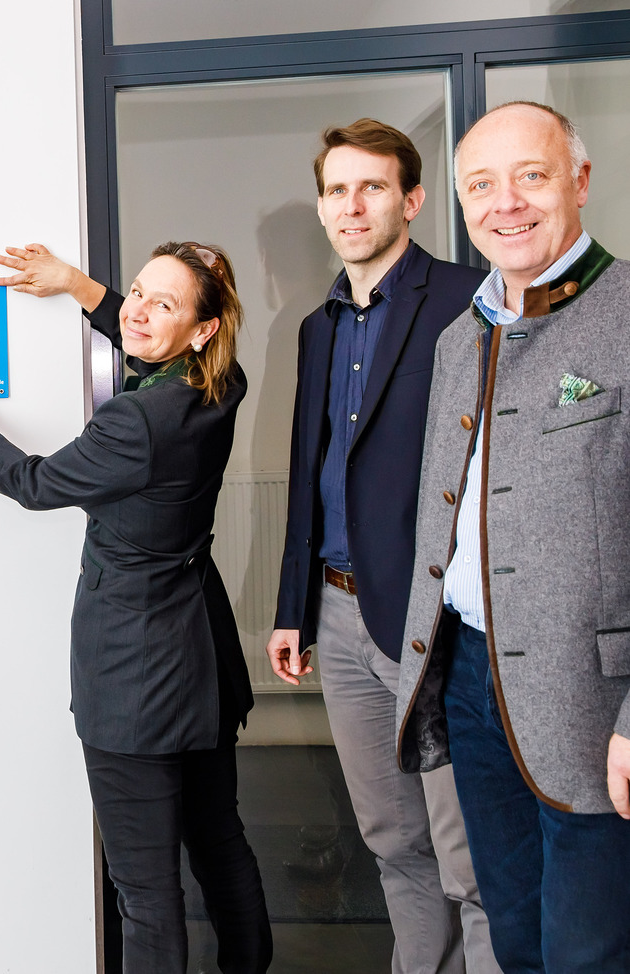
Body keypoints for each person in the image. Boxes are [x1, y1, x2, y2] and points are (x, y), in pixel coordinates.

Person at [0, 240, 272, 973]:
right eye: (137, 291)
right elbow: (143, 332)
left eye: (163, 303)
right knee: (218, 838)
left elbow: (37, 483)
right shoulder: (221, 382)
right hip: (200, 661)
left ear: (201, 327)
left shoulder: (137, 421)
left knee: (145, 891)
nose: (136, 310)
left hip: (137, 677)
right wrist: (79, 286)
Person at [397, 101, 630, 972]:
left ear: (579, 180)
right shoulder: (459, 339)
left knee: (590, 952)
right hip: (471, 681)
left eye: (531, 175)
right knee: (516, 940)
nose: (507, 204)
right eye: (482, 185)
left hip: (594, 700)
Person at [264, 119, 498, 973]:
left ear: (412, 199)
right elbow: (312, 468)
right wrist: (293, 607)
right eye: (337, 190)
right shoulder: (317, 325)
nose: (352, 206)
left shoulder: (470, 299)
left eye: (372, 187)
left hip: (437, 619)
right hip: (339, 610)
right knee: (392, 839)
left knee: (469, 856)